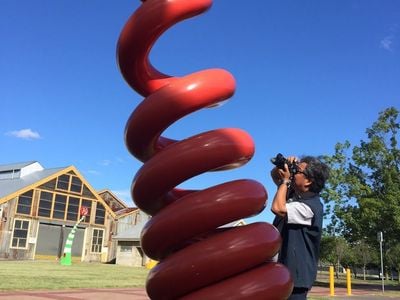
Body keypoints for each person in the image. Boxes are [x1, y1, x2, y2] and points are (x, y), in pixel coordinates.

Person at [270, 155, 329, 300]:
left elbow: (278, 208)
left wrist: (285, 181)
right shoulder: (294, 195)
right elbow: (273, 175)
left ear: (308, 180)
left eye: (298, 171)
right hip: (281, 275)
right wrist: (284, 166)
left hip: (295, 278)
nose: (293, 173)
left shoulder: (311, 206)